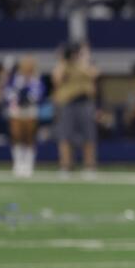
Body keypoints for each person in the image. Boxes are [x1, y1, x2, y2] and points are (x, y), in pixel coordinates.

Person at [51, 42, 98, 176]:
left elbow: (93, 74)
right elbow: (56, 79)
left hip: (85, 102)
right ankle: (66, 165)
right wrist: (63, 61)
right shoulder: (64, 65)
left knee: (88, 135)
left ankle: (90, 166)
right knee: (65, 135)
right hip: (67, 103)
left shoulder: (85, 64)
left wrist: (81, 60)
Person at [5, 56, 43, 177]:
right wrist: (16, 98)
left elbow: (39, 93)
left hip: (30, 110)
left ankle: (28, 163)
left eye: (29, 66)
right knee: (16, 136)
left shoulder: (36, 79)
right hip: (17, 110)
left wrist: (29, 97)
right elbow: (8, 92)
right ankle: (18, 162)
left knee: (29, 137)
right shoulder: (15, 78)